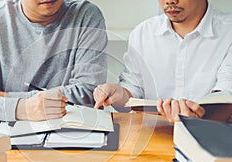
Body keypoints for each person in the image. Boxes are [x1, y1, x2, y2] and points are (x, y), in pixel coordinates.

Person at [0, 0, 108, 122]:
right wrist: (21, 109)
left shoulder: (86, 15)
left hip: (71, 130)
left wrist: (9, 98)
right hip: (3, 135)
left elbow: (90, 93)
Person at [93, 0, 232, 123]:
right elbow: (133, 89)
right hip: (152, 137)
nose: (170, 1)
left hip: (212, 137)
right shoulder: (143, 33)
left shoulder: (228, 31)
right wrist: (118, 94)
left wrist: (194, 119)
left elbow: (226, 98)